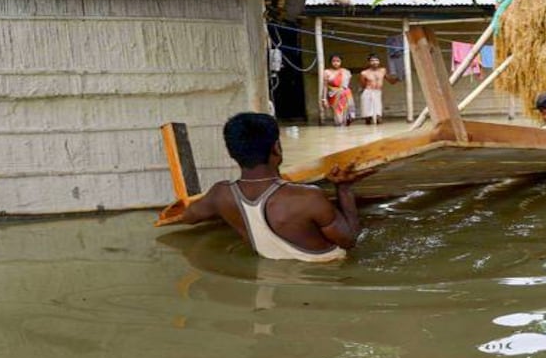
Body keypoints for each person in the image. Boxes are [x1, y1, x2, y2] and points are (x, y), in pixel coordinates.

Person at [166, 113, 373, 262]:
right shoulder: (309, 197)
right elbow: (349, 240)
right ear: (276, 148)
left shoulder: (220, 195)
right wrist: (344, 189)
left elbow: (189, 217)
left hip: (271, 270)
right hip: (330, 274)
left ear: (231, 153)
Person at [359, 54, 398, 125]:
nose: (374, 62)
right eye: (372, 61)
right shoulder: (364, 73)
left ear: (379, 61)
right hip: (367, 93)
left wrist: (398, 77)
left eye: (376, 60)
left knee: (378, 116)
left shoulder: (383, 70)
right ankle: (369, 134)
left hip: (377, 93)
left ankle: (379, 134)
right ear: (369, 62)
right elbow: (363, 85)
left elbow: (391, 81)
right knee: (368, 117)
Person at [323, 54, 354, 126]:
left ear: (341, 62)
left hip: (345, 95)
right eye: (334, 61)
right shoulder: (327, 72)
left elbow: (347, 85)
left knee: (347, 116)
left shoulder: (346, 72)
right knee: (338, 118)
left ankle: (345, 133)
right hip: (334, 95)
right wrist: (324, 99)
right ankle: (338, 129)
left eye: (338, 61)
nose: (336, 63)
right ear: (330, 62)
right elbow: (325, 86)